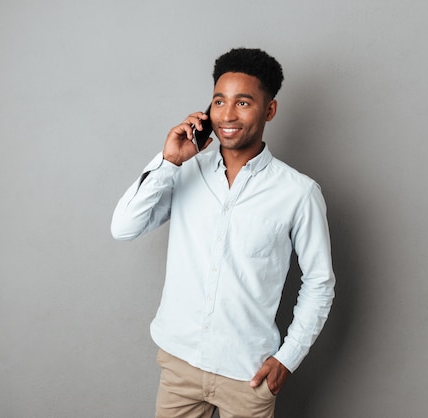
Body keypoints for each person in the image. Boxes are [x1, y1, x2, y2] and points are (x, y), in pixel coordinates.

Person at [111, 48, 335, 418]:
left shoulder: (298, 192)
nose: (227, 115)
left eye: (243, 102)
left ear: (270, 110)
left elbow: (319, 283)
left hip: (247, 373)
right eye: (219, 101)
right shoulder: (183, 170)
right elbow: (124, 227)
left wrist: (287, 358)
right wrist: (167, 161)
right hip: (180, 363)